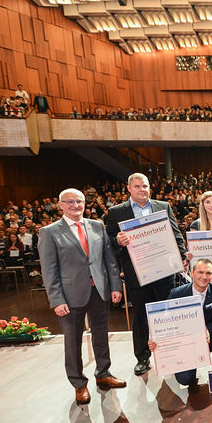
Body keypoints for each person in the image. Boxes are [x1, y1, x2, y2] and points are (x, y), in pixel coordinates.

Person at [38, 188, 125, 404]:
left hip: (99, 290)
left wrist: (115, 286)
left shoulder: (96, 226)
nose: (75, 205)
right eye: (70, 202)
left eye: (80, 201)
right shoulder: (49, 232)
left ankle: (103, 374)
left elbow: (109, 259)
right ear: (60, 205)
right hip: (70, 296)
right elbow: (49, 270)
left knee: (101, 335)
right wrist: (56, 299)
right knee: (73, 341)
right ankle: (78, 383)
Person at [106, 172, 187, 376]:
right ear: (129, 189)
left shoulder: (163, 206)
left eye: (145, 186)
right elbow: (107, 240)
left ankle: (173, 352)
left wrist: (183, 256)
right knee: (140, 317)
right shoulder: (116, 212)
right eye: (138, 187)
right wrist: (117, 240)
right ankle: (142, 357)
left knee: (168, 314)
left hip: (164, 272)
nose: (143, 190)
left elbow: (176, 233)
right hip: (137, 274)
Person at [147, 258, 212, 387]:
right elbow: (163, 321)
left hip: (209, 338)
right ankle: (182, 365)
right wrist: (154, 339)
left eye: (208, 273)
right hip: (185, 343)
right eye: (200, 272)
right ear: (192, 273)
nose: (204, 277)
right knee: (185, 380)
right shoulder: (177, 294)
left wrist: (207, 329)